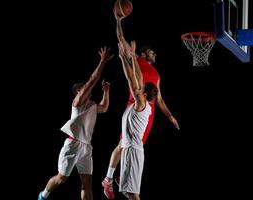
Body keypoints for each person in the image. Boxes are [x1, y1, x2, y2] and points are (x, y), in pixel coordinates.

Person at [102, 9, 180, 199]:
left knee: (134, 145)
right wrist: (118, 21)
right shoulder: (135, 58)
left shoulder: (156, 74)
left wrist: (170, 116)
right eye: (152, 52)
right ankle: (108, 179)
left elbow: (159, 99)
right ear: (144, 54)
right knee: (124, 144)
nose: (155, 54)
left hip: (148, 112)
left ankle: (122, 177)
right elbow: (120, 40)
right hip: (136, 103)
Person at [38, 46, 113, 200]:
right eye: (81, 88)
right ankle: (43, 195)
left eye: (84, 88)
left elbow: (104, 108)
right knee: (61, 179)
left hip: (86, 147)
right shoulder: (77, 103)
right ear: (78, 92)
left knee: (87, 185)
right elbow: (92, 80)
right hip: (73, 144)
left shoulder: (92, 106)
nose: (84, 88)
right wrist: (102, 61)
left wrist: (106, 91)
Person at [119, 40, 158, 200]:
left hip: (133, 151)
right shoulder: (140, 102)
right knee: (128, 192)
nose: (138, 88)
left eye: (141, 89)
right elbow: (134, 77)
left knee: (133, 194)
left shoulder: (142, 103)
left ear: (146, 95)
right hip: (129, 150)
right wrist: (124, 58)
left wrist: (129, 58)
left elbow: (132, 78)